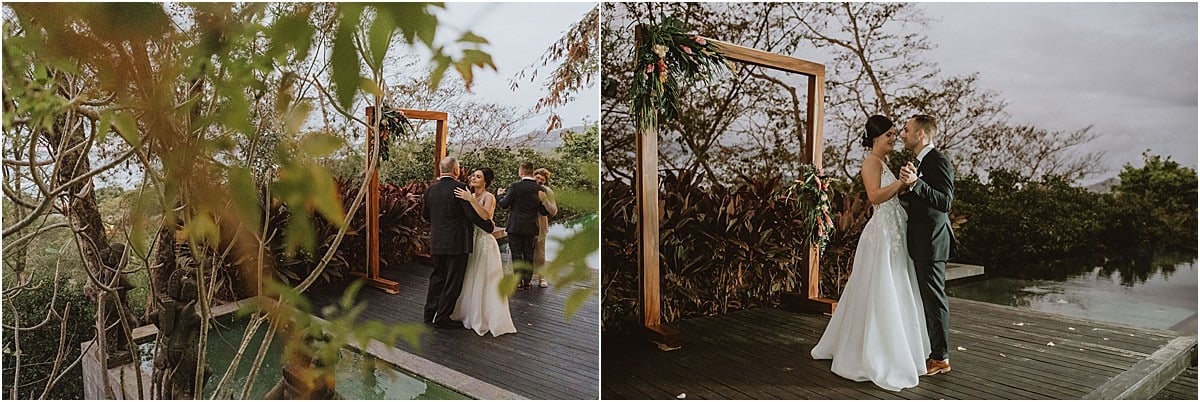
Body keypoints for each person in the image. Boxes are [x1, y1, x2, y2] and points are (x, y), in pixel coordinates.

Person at [811, 115, 930, 391]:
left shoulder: (882, 162)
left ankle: (899, 345)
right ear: (876, 137)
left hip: (894, 231)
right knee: (881, 288)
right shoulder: (870, 162)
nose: (894, 138)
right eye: (889, 134)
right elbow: (875, 196)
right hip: (882, 234)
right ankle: (876, 352)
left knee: (896, 287)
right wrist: (902, 184)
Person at [898, 114, 957, 376]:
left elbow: (945, 202)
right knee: (928, 298)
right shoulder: (918, 162)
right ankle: (932, 351)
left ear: (920, 134)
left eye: (906, 129)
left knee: (935, 300)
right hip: (921, 240)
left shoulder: (938, 160)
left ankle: (941, 358)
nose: (902, 133)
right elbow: (922, 202)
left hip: (933, 242)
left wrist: (915, 184)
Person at [422, 157, 494, 329]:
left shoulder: (430, 190)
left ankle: (429, 314)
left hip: (437, 241)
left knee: (437, 278)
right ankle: (442, 317)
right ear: (456, 170)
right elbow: (471, 215)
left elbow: (425, 215)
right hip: (457, 243)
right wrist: (489, 226)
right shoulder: (460, 189)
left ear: (441, 170)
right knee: (453, 281)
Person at [450, 167, 517, 337]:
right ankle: (468, 312)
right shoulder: (469, 195)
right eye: (473, 175)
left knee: (485, 279)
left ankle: (485, 316)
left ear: (485, 181)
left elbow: (486, 216)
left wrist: (470, 200)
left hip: (484, 242)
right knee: (470, 276)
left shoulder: (489, 197)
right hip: (470, 241)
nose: (473, 178)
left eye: (478, 177)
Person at [498, 162, 549, 291]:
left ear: (521, 172)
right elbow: (543, 211)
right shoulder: (540, 189)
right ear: (532, 172)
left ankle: (518, 281)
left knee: (516, 254)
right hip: (531, 227)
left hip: (515, 226)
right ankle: (527, 281)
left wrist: (499, 195)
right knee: (528, 254)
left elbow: (504, 204)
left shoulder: (515, 186)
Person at [532, 168, 559, 288]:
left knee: (540, 254)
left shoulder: (548, 191)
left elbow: (553, 211)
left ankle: (542, 277)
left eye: (541, 180)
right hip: (524, 225)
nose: (538, 181)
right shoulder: (525, 187)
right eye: (537, 178)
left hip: (540, 226)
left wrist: (544, 200)